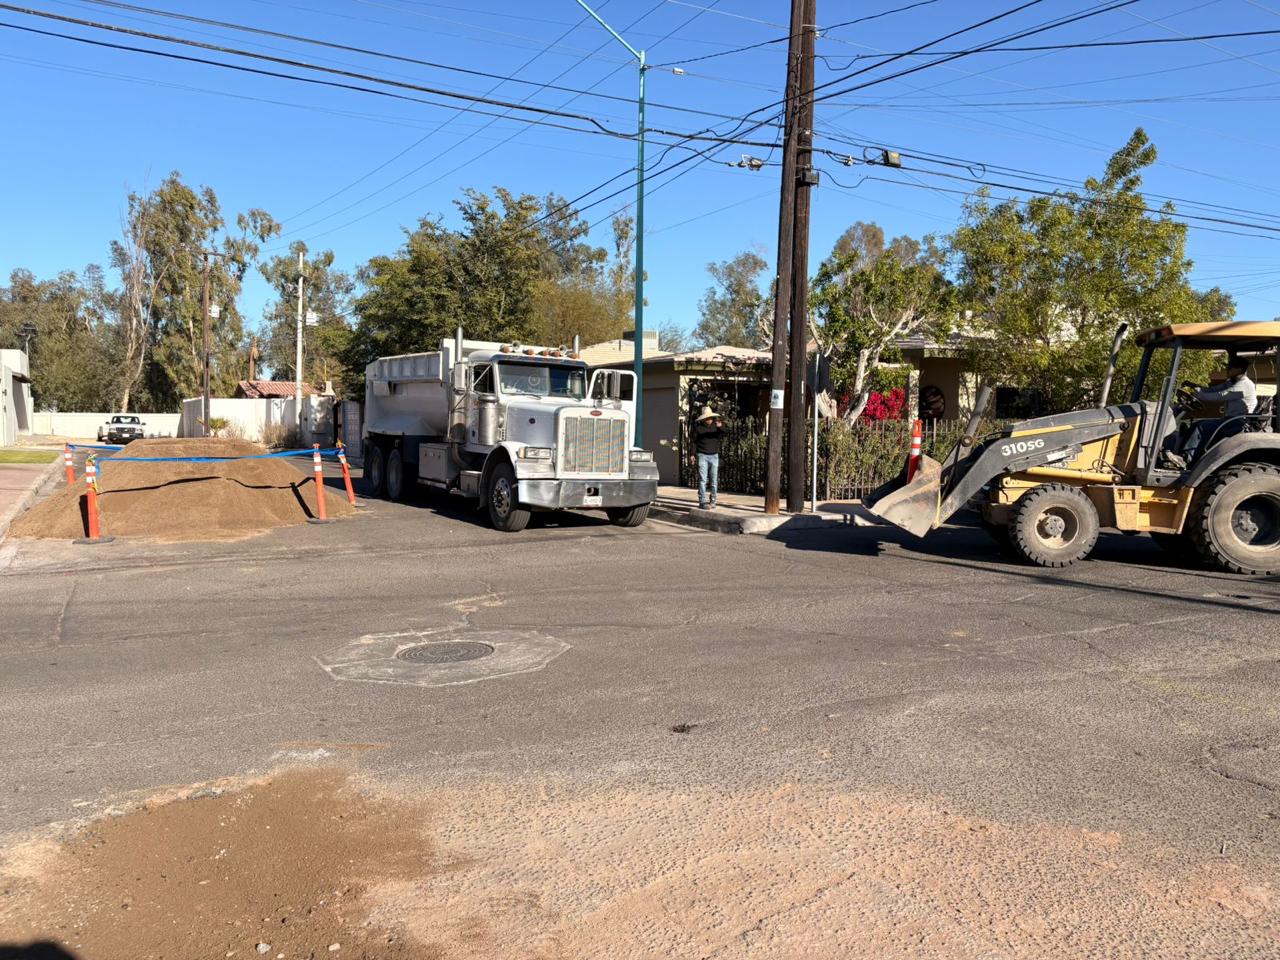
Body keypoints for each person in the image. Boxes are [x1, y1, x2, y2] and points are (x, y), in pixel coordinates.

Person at [1181, 355, 1257, 464]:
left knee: (1202, 427)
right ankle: (1187, 456)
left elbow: (1220, 395)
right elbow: (1212, 390)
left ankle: (1187, 460)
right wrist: (1194, 386)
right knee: (1194, 424)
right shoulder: (1231, 382)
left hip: (1238, 422)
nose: (1227, 370)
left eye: (1230, 367)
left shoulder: (1244, 385)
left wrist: (1199, 395)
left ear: (1239, 369)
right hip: (1228, 419)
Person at [693, 406, 724, 509]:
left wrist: (720, 427)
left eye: (710, 417)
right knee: (703, 480)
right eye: (707, 418)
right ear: (703, 419)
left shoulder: (716, 427)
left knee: (714, 480)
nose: (709, 419)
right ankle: (702, 501)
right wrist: (692, 454)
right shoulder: (698, 428)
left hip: (714, 456)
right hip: (702, 455)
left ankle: (713, 500)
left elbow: (725, 433)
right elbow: (693, 442)